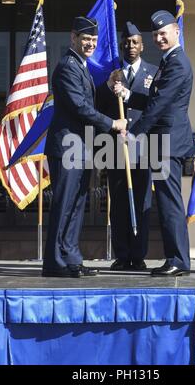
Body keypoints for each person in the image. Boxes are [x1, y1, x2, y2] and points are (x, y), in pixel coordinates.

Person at [42, 16, 127, 278]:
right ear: (73, 38)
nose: (90, 44)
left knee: (77, 205)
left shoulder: (81, 66)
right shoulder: (68, 66)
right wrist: (113, 123)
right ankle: (55, 262)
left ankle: (70, 258)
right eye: (85, 39)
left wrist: (108, 86)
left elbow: (87, 98)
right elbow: (80, 106)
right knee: (64, 204)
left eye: (93, 39)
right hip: (67, 147)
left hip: (79, 148)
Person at [125, 10, 194, 276]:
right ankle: (175, 258)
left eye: (163, 33)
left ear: (177, 32)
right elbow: (156, 100)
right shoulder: (168, 61)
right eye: (155, 34)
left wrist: (134, 132)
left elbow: (160, 104)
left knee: (169, 203)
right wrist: (129, 94)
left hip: (168, 143)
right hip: (162, 142)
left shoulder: (177, 62)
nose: (159, 38)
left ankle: (178, 260)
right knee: (166, 202)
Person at [97, 21, 157, 271]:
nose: (130, 46)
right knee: (119, 200)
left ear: (142, 46)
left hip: (143, 147)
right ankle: (122, 254)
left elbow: (155, 108)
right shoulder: (112, 74)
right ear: (121, 44)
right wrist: (109, 88)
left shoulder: (154, 72)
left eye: (135, 42)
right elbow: (98, 106)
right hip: (116, 147)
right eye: (127, 41)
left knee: (142, 201)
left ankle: (138, 254)